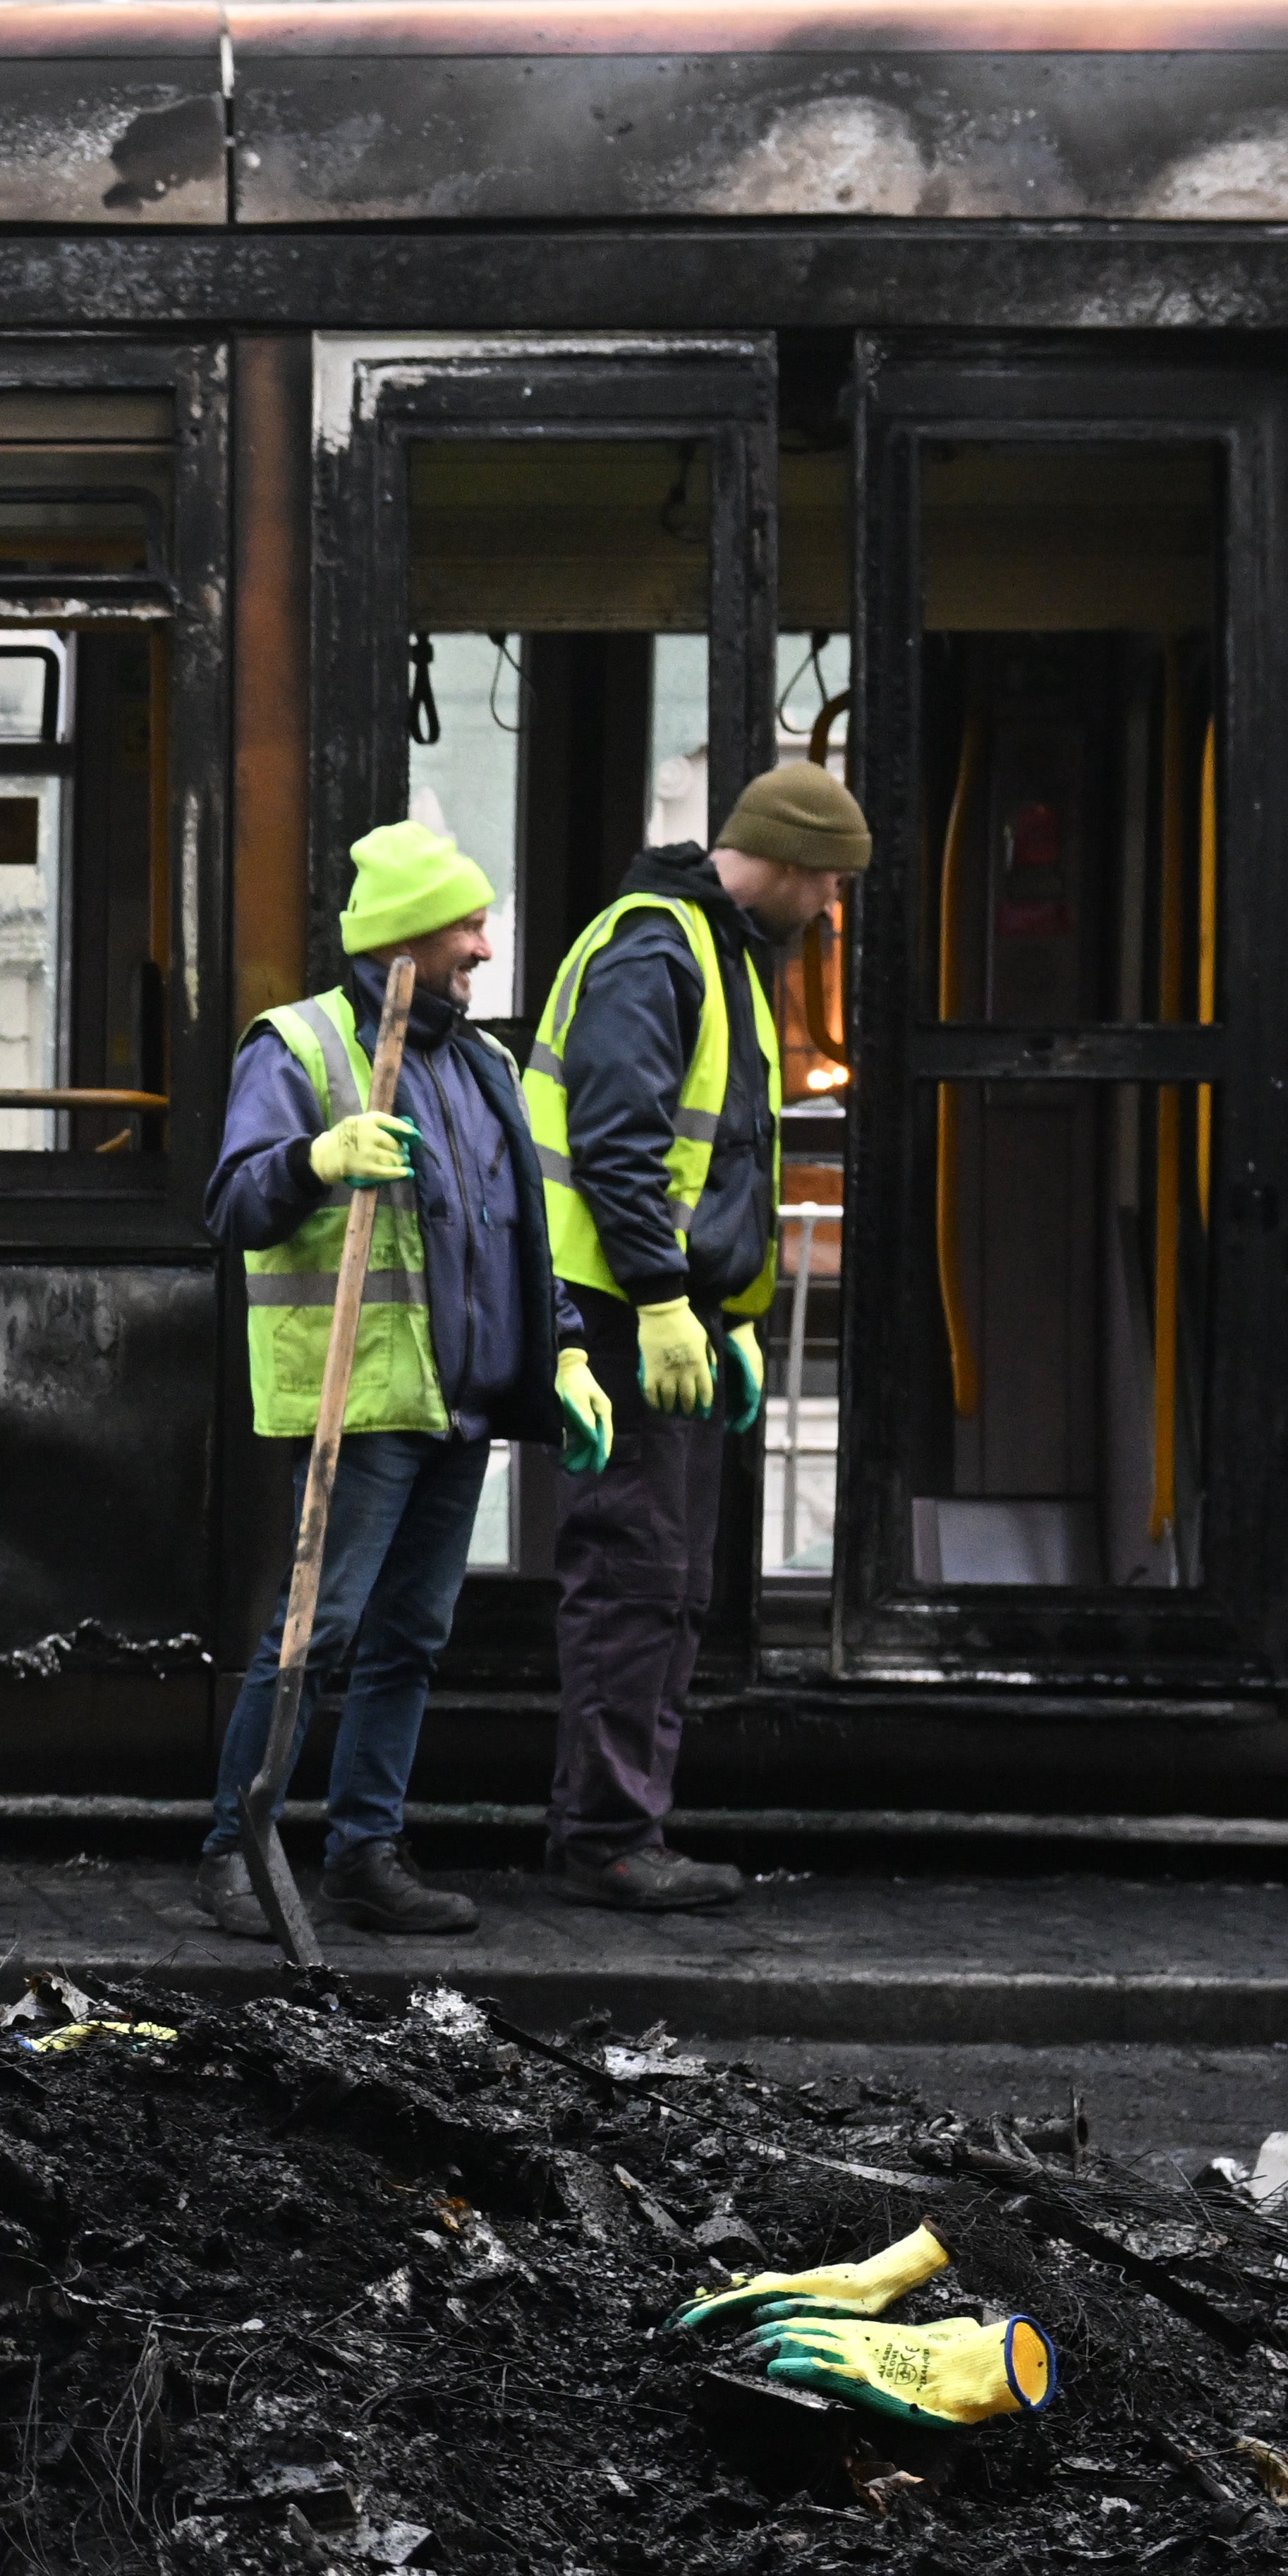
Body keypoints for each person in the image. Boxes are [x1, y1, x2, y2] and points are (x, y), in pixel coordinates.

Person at [195, 821, 584, 1942]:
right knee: (314, 1632)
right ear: (408, 930)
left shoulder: (481, 1063)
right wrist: (313, 1160)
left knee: (409, 1633)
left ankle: (365, 1852)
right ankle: (232, 1847)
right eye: (466, 922)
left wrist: (560, 1349)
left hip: (459, 1402)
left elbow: (521, 1239)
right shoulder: (302, 1046)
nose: (482, 945)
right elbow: (232, 1206)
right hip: (359, 1395)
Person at [523, 761, 870, 1913]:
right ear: (778, 860)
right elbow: (620, 1145)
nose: (828, 909)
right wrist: (667, 1299)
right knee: (636, 1575)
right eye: (825, 884)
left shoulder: (711, 955)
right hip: (626, 1322)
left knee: (660, 1583)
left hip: (666, 1315)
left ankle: (615, 1825)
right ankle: (606, 1840)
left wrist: (725, 1315)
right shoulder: (656, 952)